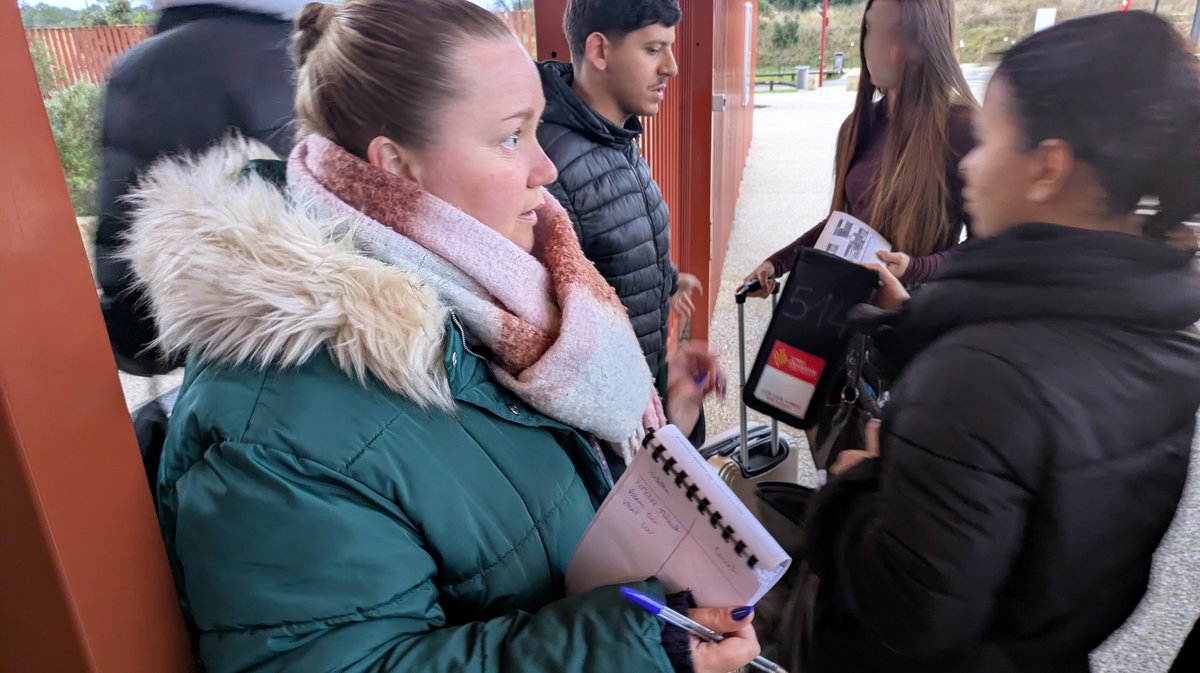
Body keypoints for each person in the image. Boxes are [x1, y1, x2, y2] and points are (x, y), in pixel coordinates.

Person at [120, 1, 757, 672]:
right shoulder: (276, 424)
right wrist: (634, 647)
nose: (547, 168)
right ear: (395, 166)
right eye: (513, 136)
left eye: (538, 129)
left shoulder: (506, 298)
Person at [805, 11, 1200, 673]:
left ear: (1048, 166)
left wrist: (856, 486)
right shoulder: (1167, 341)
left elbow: (903, 610)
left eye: (989, 139)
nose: (971, 165)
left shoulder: (976, 377)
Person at [95, 0, 308, 377]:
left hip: (205, 336)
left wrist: (134, 338)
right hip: (324, 318)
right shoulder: (315, 49)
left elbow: (122, 212)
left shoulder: (140, 68)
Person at [538, 0, 707, 432]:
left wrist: (664, 278)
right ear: (599, 51)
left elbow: (611, 237)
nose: (671, 66)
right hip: (610, 427)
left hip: (642, 394)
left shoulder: (613, 135)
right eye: (654, 49)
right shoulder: (551, 166)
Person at [743, 0, 976, 296]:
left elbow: (988, 245)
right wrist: (776, 263)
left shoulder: (960, 128)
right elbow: (842, 224)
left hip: (915, 322)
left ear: (929, 39)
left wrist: (916, 268)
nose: (876, 45)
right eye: (870, 28)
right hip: (850, 317)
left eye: (896, 31)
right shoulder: (856, 126)